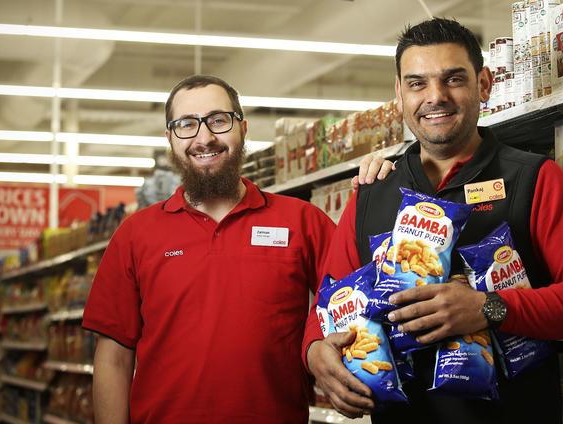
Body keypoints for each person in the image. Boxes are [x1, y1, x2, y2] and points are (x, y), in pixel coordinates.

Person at [303, 18, 563, 423]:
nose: (436, 97)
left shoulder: (534, 178)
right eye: (417, 83)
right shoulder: (372, 191)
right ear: (399, 93)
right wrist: (314, 352)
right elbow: (329, 302)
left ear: (483, 84)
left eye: (453, 79)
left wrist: (490, 307)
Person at [82, 74, 393, 424]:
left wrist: (381, 189)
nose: (204, 137)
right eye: (186, 125)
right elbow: (113, 358)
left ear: (242, 128)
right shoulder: (135, 234)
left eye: (218, 120)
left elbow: (359, 295)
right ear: (170, 138)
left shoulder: (301, 221)